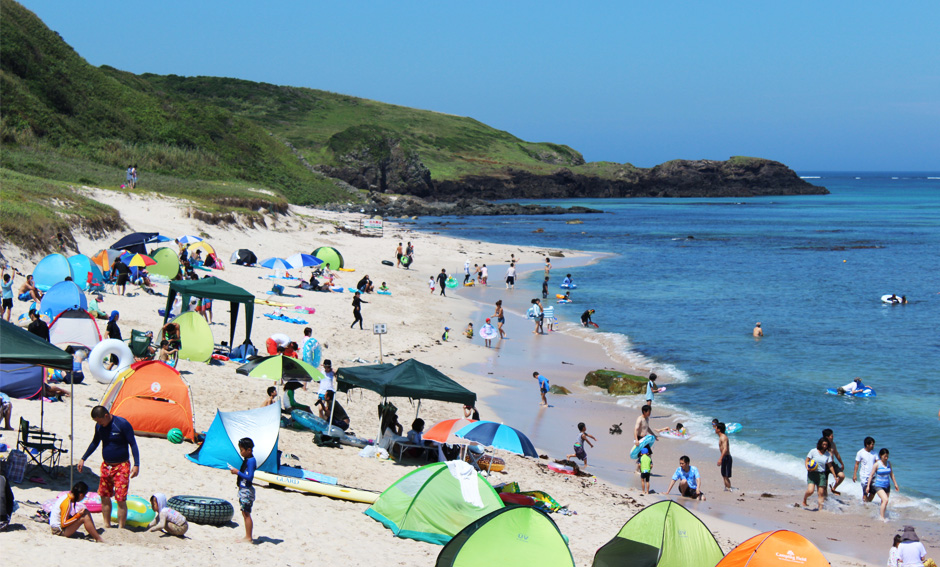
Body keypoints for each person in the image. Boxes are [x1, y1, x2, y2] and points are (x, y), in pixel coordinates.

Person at [78, 406, 140, 529]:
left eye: (100, 421)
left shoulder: (122, 424)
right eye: (97, 422)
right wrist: (83, 458)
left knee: (121, 498)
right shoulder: (99, 426)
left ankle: (121, 527)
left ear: (106, 416)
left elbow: (133, 443)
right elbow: (95, 442)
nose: (99, 424)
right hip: (106, 465)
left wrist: (136, 464)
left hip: (122, 466)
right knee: (104, 496)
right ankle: (107, 524)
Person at [229, 437, 256, 543]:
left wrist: (237, 472)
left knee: (246, 514)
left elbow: (250, 477)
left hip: (247, 490)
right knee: (245, 513)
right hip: (243, 490)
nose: (241, 452)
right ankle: (248, 536)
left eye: (242, 450)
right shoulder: (248, 459)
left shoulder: (251, 461)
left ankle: (248, 537)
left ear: (248, 450)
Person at [867, 448, 899, 521]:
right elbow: (871, 475)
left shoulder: (889, 463)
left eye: (887, 456)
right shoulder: (877, 464)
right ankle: (882, 518)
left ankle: (882, 514)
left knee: (884, 502)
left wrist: (895, 484)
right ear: (881, 455)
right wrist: (868, 486)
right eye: (885, 456)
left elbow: (891, 474)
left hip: (887, 486)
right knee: (885, 500)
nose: (886, 458)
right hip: (878, 485)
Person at [802, 436, 834, 510]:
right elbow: (807, 460)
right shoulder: (813, 451)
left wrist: (835, 476)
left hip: (822, 474)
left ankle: (820, 509)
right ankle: (805, 499)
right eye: (823, 444)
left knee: (821, 493)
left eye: (826, 445)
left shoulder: (827, 454)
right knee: (810, 491)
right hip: (812, 473)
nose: (825, 446)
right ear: (820, 444)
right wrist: (807, 467)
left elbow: (830, 465)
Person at [822, 428, 846, 494]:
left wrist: (841, 463)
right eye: (831, 436)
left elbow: (836, 454)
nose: (833, 437)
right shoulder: (822, 445)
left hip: (832, 464)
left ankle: (834, 488)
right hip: (824, 466)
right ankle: (825, 502)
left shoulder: (833, 444)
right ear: (827, 437)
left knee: (842, 476)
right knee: (824, 488)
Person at [854, 436, 878, 501]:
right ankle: (865, 505)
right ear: (867, 445)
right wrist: (855, 475)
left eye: (873, 444)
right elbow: (857, 464)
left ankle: (868, 503)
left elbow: (878, 463)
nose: (873, 445)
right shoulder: (860, 452)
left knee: (873, 491)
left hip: (873, 476)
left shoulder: (875, 452)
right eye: (872, 444)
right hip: (864, 476)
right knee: (865, 493)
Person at [715, 422, 733, 491]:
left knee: (726, 476)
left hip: (727, 457)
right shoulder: (721, 437)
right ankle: (726, 488)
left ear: (719, 429)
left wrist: (720, 458)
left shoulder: (723, 437)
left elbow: (725, 449)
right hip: (725, 457)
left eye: (716, 428)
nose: (715, 429)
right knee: (723, 475)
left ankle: (729, 489)